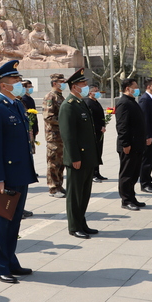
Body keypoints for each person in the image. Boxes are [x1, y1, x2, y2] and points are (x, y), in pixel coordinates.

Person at [0, 60, 38, 284]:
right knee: (0, 223)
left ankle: (11, 260)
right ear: (4, 85)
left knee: (14, 223)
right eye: (15, 81)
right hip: (4, 177)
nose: (20, 84)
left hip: (20, 174)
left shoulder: (16, 105)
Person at [58, 69, 98, 239]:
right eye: (83, 84)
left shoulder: (81, 103)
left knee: (84, 193)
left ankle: (82, 222)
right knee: (75, 195)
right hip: (78, 158)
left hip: (88, 157)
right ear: (74, 87)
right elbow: (68, 136)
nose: (86, 87)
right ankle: (74, 226)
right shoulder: (68, 106)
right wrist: (75, 157)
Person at [115, 78, 148, 211]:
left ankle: (132, 197)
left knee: (134, 173)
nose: (137, 89)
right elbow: (122, 126)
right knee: (127, 174)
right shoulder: (123, 103)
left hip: (137, 145)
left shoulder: (132, 102)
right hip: (129, 146)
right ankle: (126, 200)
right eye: (135, 87)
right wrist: (125, 143)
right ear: (128, 88)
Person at [43, 73, 67, 197]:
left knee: (60, 162)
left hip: (61, 135)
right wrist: (64, 121)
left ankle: (59, 185)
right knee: (53, 162)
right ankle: (53, 188)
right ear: (54, 83)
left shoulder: (60, 97)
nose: (63, 84)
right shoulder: (50, 97)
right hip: (53, 136)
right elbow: (48, 117)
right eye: (61, 82)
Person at [84, 85, 107, 182]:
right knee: (93, 153)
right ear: (90, 93)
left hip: (100, 132)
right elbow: (91, 119)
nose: (98, 92)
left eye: (98, 90)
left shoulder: (96, 102)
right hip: (93, 132)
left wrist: (103, 125)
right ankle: (92, 174)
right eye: (95, 91)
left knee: (98, 152)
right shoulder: (88, 103)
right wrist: (99, 127)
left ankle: (97, 172)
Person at [20, 80, 39, 147]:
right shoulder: (23, 99)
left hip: (32, 127)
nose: (31, 88)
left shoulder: (30, 99)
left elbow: (34, 115)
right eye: (29, 87)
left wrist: (36, 128)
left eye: (31, 86)